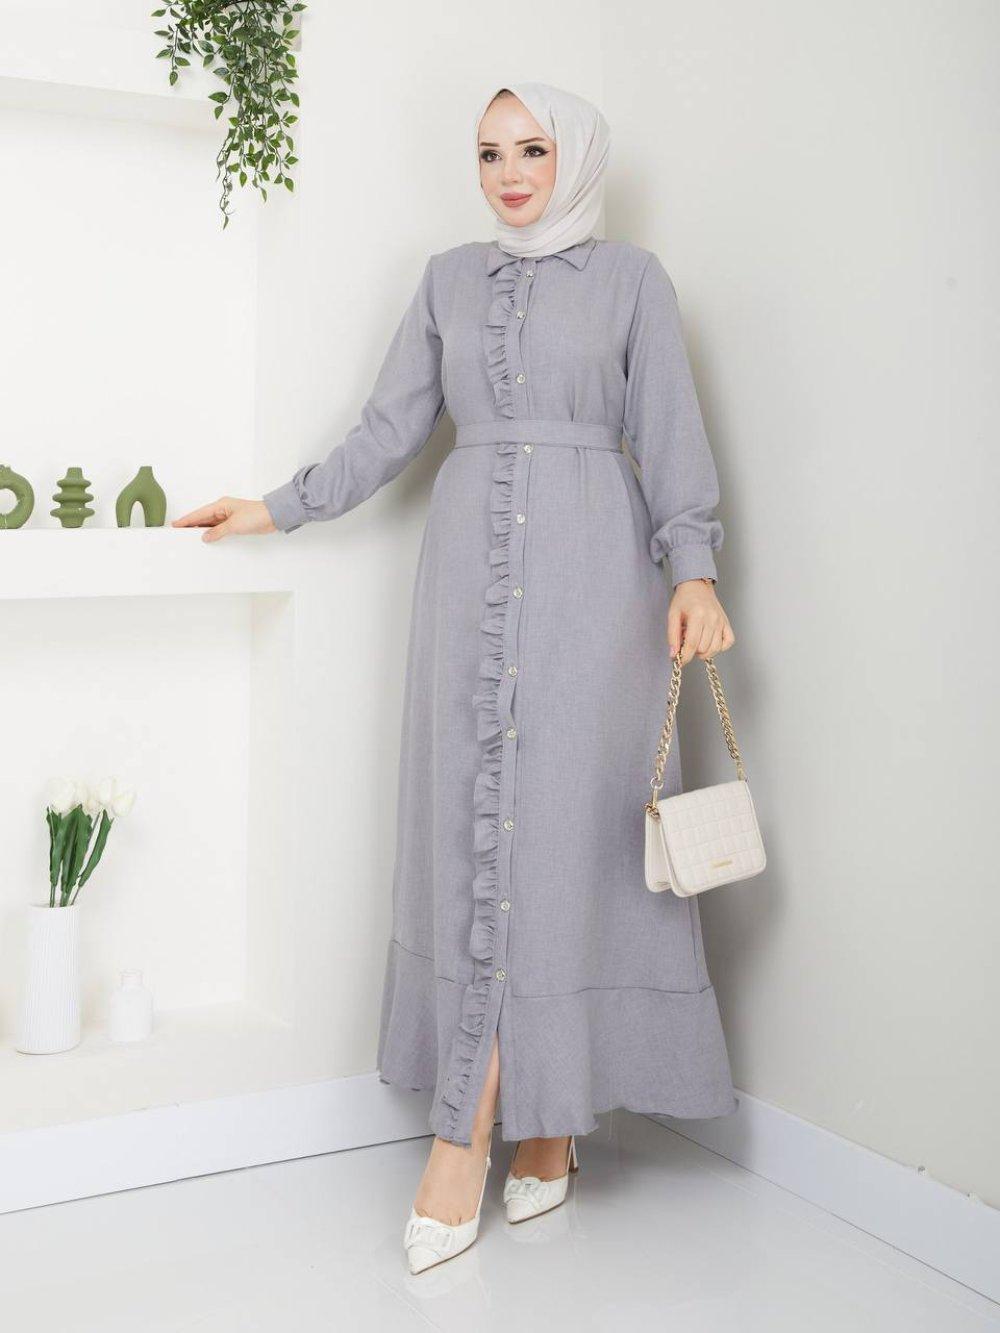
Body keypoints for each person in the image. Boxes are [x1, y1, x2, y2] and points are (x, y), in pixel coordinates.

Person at [173, 80, 738, 1275]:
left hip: (598, 588)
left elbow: (671, 433)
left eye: (532, 150)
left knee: (574, 847)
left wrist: (692, 571)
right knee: (472, 838)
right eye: (489, 154)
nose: (510, 174)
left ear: (574, 158)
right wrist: (277, 505)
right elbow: (388, 428)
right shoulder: (444, 281)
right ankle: (493, 1123)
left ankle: (520, 1127)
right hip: (465, 589)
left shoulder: (633, 281)